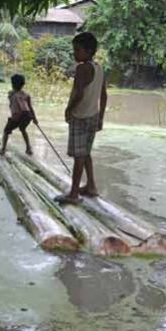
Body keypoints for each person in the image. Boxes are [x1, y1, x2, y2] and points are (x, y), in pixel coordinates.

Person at [55, 32, 108, 205]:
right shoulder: (99, 68)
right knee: (85, 153)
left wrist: (68, 109)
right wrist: (101, 117)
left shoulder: (82, 68)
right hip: (92, 116)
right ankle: (91, 186)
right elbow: (104, 95)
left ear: (89, 50)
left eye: (77, 50)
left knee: (79, 156)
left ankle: (74, 194)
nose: (74, 53)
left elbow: (78, 94)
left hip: (80, 116)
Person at [0, 74, 38, 156]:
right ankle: (29, 148)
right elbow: (30, 107)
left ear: (12, 84)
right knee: (23, 129)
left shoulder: (11, 94)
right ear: (23, 85)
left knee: (6, 131)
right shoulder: (27, 95)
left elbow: (12, 100)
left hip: (18, 115)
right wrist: (35, 119)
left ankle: (3, 149)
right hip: (28, 115)